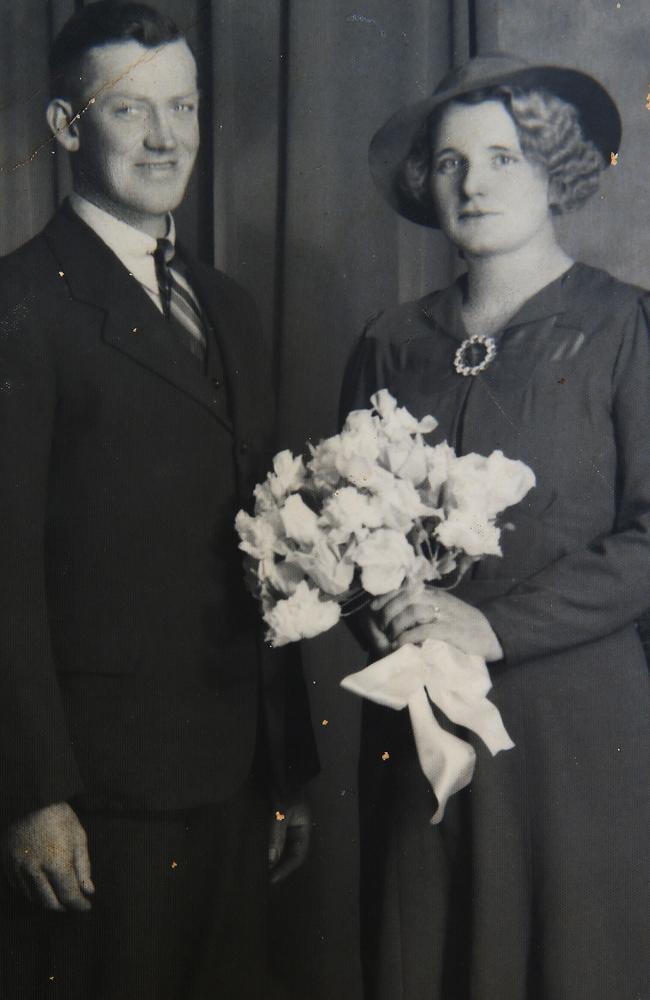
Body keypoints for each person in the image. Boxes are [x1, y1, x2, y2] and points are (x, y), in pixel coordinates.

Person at [0, 4, 317, 998]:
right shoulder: (20, 305)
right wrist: (32, 792)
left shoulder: (225, 302)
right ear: (64, 127)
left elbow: (270, 542)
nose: (166, 136)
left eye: (180, 105)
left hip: (234, 776)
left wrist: (286, 766)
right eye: (130, 109)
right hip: (100, 795)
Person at [341, 54, 649, 1000]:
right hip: (422, 723)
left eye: (503, 157)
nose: (472, 183)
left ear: (553, 167)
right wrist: (385, 609)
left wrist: (493, 626)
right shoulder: (391, 340)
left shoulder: (625, 328)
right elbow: (343, 531)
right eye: (449, 163)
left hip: (573, 731)